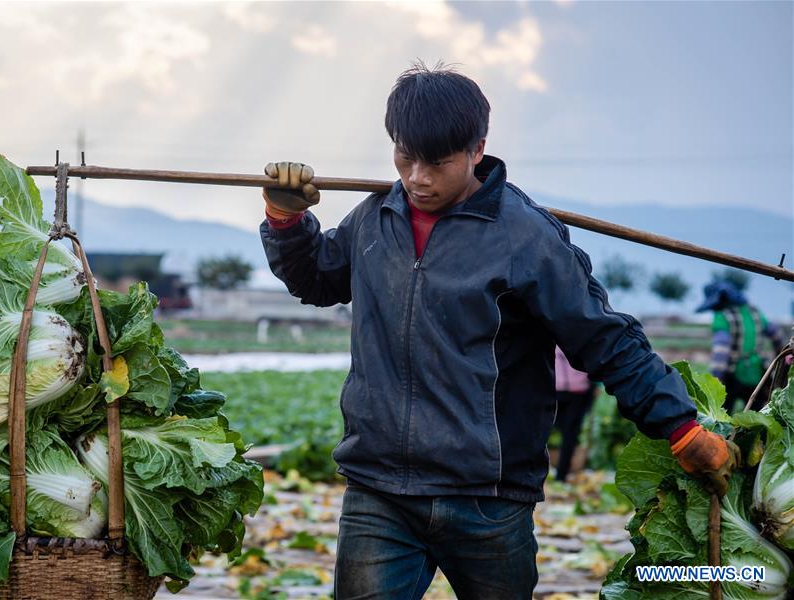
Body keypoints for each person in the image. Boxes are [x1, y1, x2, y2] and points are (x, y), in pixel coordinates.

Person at [258, 62, 738, 600]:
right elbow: (317, 279)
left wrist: (680, 426)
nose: (417, 177)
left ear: (477, 150)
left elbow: (602, 337)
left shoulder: (525, 236)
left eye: (437, 163)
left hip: (488, 499)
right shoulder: (376, 218)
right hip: (380, 489)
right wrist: (286, 220)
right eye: (404, 156)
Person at [697, 280, 787, 412]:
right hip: (757, 374)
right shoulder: (754, 313)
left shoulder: (722, 316)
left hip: (733, 375)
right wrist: (783, 361)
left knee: (723, 414)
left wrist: (715, 381)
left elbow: (721, 352)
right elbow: (777, 336)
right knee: (755, 417)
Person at [553, 346, 597, 482]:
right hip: (562, 390)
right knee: (567, 434)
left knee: (569, 435)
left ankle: (561, 476)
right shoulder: (580, 333)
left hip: (574, 392)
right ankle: (559, 475)